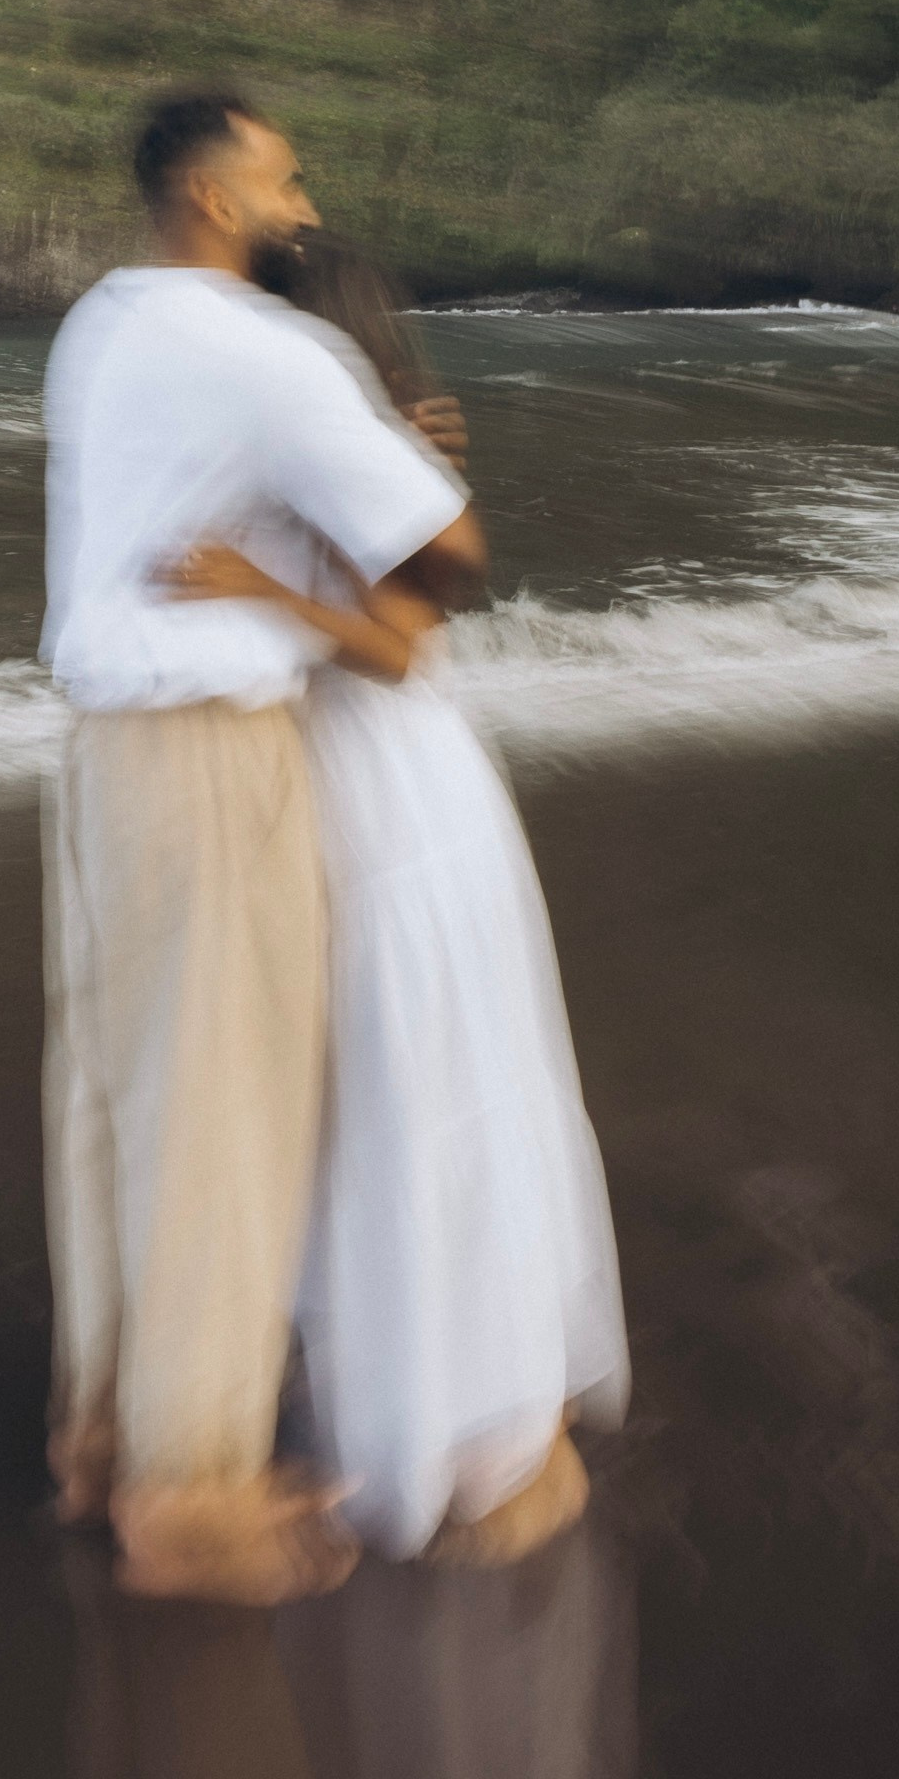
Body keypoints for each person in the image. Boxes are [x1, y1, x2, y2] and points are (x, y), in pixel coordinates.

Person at [40, 95, 486, 1607]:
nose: (305, 200)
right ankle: (193, 1496)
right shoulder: (271, 353)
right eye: (286, 177)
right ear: (218, 200)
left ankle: (100, 1438)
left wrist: (362, 442)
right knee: (221, 1115)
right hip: (216, 754)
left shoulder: (103, 327)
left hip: (101, 753)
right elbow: (450, 560)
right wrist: (399, 439)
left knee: (111, 1098)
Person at [161, 232, 630, 1564]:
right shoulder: (326, 432)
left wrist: (254, 585)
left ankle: (457, 1420)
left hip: (389, 799)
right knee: (356, 1099)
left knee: (407, 1095)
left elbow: (397, 651)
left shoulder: (367, 449)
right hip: (323, 791)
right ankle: (395, 1381)